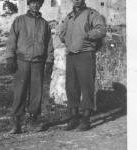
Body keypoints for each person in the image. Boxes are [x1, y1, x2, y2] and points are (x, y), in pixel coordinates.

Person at [5, 0, 54, 134]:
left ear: (41, 5)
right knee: (19, 92)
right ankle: (17, 123)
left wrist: (49, 61)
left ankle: (33, 121)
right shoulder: (19, 21)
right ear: (28, 4)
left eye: (38, 3)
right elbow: (11, 41)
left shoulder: (44, 24)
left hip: (39, 62)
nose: (35, 5)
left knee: (36, 92)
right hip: (22, 61)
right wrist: (10, 58)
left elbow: (49, 45)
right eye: (33, 2)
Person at [59, 0, 107, 131]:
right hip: (71, 55)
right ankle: (74, 118)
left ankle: (86, 119)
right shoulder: (68, 16)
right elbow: (61, 34)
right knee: (71, 87)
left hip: (86, 54)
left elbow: (101, 30)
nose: (76, 0)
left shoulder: (92, 13)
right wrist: (67, 38)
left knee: (87, 86)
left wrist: (86, 35)